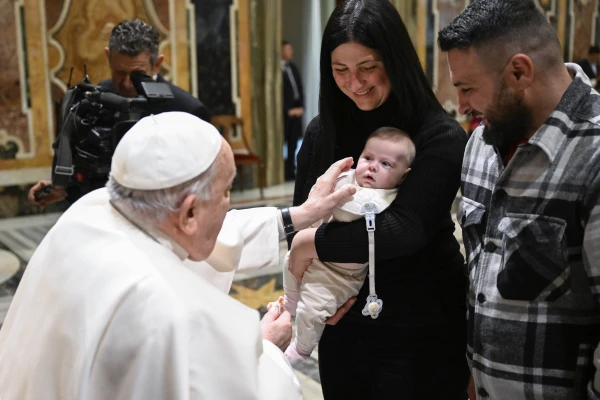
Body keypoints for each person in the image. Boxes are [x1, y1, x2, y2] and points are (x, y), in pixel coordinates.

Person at [0, 111, 357, 400]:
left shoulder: (92, 210)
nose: (229, 202)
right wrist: (266, 351)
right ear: (188, 213)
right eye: (227, 191)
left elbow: (214, 236)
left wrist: (302, 214)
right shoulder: (164, 310)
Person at [288, 0, 469, 398]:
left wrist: (312, 245)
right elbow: (304, 216)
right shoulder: (324, 132)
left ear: (395, 59)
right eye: (340, 70)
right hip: (343, 323)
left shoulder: (438, 135)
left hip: (420, 325)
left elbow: (404, 230)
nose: (355, 83)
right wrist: (310, 275)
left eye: (367, 67)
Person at [438, 1, 600, 399]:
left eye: (468, 88)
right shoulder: (481, 143)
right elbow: (483, 280)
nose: (460, 107)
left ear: (519, 71)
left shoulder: (592, 155)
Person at [28, 19, 210, 208]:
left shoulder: (188, 111)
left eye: (137, 74)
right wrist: (63, 188)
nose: (127, 83)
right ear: (108, 57)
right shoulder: (99, 97)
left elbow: (207, 184)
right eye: (119, 72)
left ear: (157, 64)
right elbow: (98, 168)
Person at [283, 127, 415, 364]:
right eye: (368, 158)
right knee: (288, 262)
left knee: (312, 310)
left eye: (386, 164)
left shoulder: (389, 200)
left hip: (342, 275)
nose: (373, 166)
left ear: (403, 176)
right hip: (315, 254)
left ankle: (301, 349)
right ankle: (290, 301)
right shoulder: (347, 180)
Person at [282, 40, 305, 181]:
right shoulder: (277, 70)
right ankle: (284, 171)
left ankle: (291, 170)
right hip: (285, 113)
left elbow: (299, 88)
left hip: (297, 110)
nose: (291, 52)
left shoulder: (293, 67)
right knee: (284, 142)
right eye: (288, 49)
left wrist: (301, 107)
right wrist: (287, 110)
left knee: (293, 142)